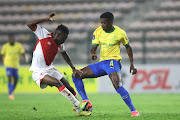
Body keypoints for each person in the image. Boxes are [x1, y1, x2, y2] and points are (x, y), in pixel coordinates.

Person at [72, 12, 140, 117]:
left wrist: (132, 64)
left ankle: (134, 111)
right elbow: (93, 46)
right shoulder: (98, 31)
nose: (102, 25)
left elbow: (128, 47)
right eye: (101, 23)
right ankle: (86, 101)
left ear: (111, 22)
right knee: (76, 75)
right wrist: (93, 53)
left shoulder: (120, 33)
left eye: (104, 23)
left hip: (113, 61)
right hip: (101, 63)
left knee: (117, 85)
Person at [26, 12, 91, 117]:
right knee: (57, 83)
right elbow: (29, 24)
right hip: (38, 71)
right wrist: (46, 19)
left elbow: (64, 54)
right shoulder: (44, 34)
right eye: (64, 38)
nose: (64, 41)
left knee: (70, 87)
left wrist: (73, 68)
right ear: (58, 35)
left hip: (50, 68)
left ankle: (79, 110)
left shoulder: (60, 44)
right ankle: (79, 105)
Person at [0, 34, 27, 100]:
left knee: (16, 80)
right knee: (9, 78)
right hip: (8, 65)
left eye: (12, 39)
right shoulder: (5, 46)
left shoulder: (18, 45)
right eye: (10, 39)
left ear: (14, 39)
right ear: (9, 39)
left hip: (15, 65)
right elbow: (2, 55)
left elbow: (23, 53)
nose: (11, 40)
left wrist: (25, 60)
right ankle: (10, 94)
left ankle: (11, 91)